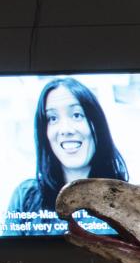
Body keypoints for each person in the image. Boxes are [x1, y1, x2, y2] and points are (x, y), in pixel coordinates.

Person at [6, 77, 129, 236]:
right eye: (53, 118)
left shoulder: (128, 200)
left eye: (77, 115)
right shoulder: (26, 196)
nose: (65, 130)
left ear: (97, 126)